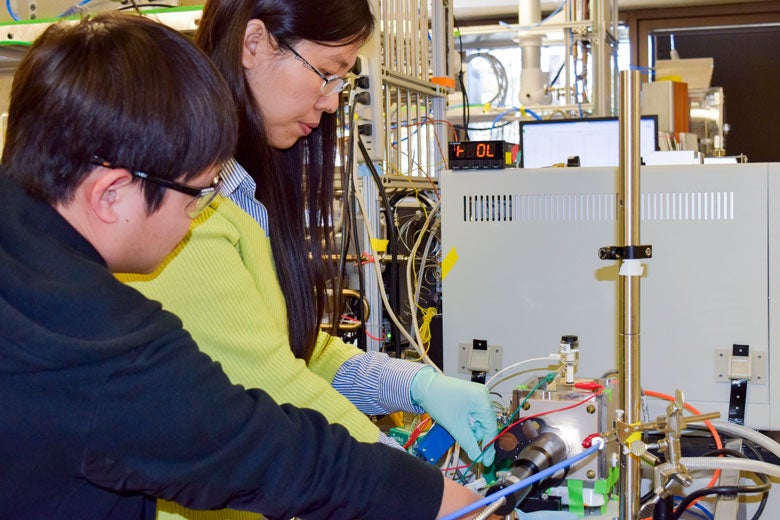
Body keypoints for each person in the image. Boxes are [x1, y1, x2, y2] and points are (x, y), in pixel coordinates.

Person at [0, 13, 489, 519]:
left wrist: (410, 386)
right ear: (111, 194)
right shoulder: (84, 332)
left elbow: (280, 345)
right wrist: (432, 499)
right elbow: (252, 444)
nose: (199, 215)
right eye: (197, 195)